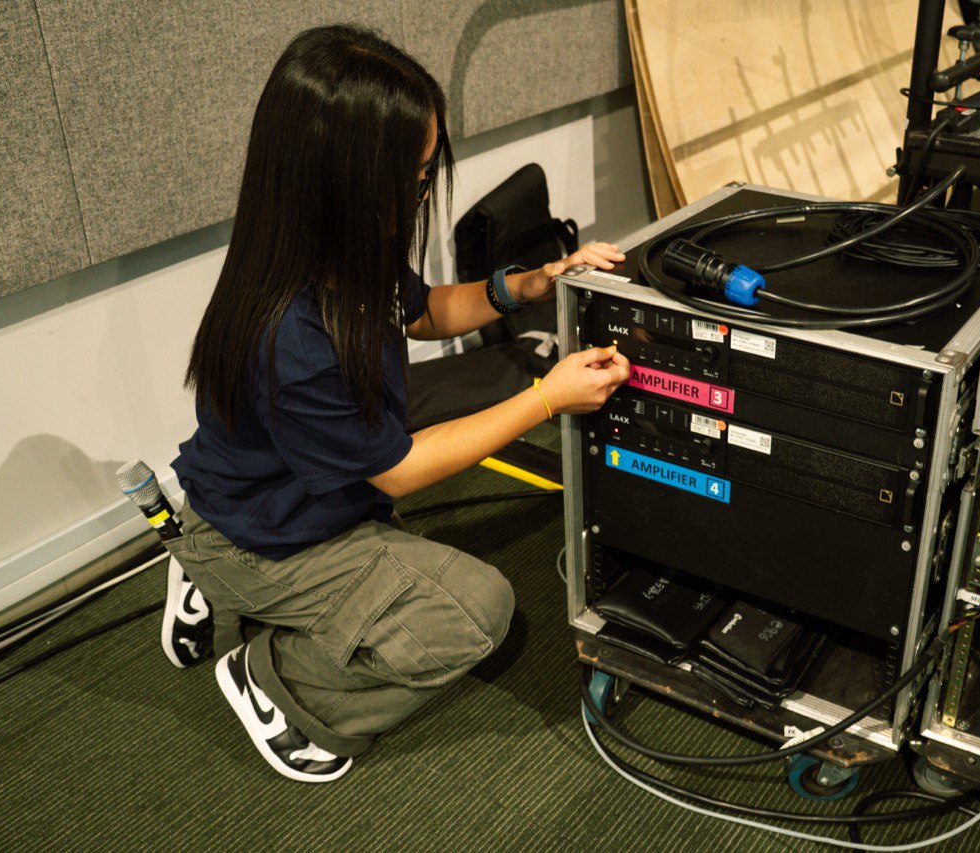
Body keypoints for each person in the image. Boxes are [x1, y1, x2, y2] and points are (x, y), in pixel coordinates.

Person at [162, 24, 630, 783]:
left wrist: (527, 284)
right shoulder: (295, 332)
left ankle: (215, 570)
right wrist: (548, 396)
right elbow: (403, 471)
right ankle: (276, 679)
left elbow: (422, 311)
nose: (423, 191)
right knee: (476, 610)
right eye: (414, 178)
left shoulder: (343, 243)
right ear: (346, 178)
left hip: (276, 501)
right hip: (261, 533)